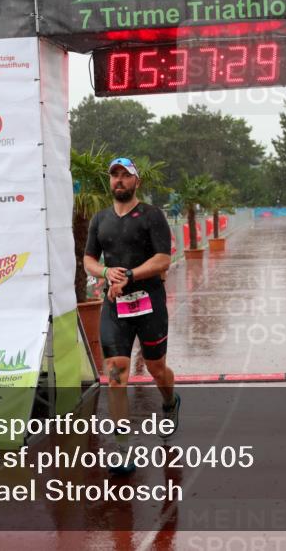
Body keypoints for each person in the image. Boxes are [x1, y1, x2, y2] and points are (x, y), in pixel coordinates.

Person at [83, 157, 180, 475]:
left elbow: (163, 259)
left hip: (149, 302)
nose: (119, 180)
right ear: (110, 182)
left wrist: (130, 276)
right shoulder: (100, 220)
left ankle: (169, 402)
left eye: (126, 175)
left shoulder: (152, 216)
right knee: (116, 374)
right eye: (115, 175)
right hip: (114, 306)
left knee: (156, 368)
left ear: (137, 182)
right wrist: (108, 272)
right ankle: (122, 448)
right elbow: (88, 261)